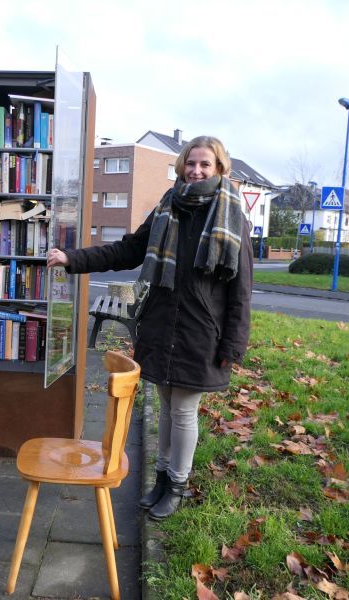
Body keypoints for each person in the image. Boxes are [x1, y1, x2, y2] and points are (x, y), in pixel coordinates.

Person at [47, 136, 253, 519]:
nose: (197, 171)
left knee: (184, 411)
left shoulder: (231, 217)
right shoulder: (167, 207)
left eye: (205, 165)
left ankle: (177, 483)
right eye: (191, 163)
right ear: (181, 166)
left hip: (201, 331)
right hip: (161, 322)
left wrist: (233, 344)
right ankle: (160, 478)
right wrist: (72, 258)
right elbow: (127, 249)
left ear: (219, 169)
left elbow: (241, 289)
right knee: (164, 405)